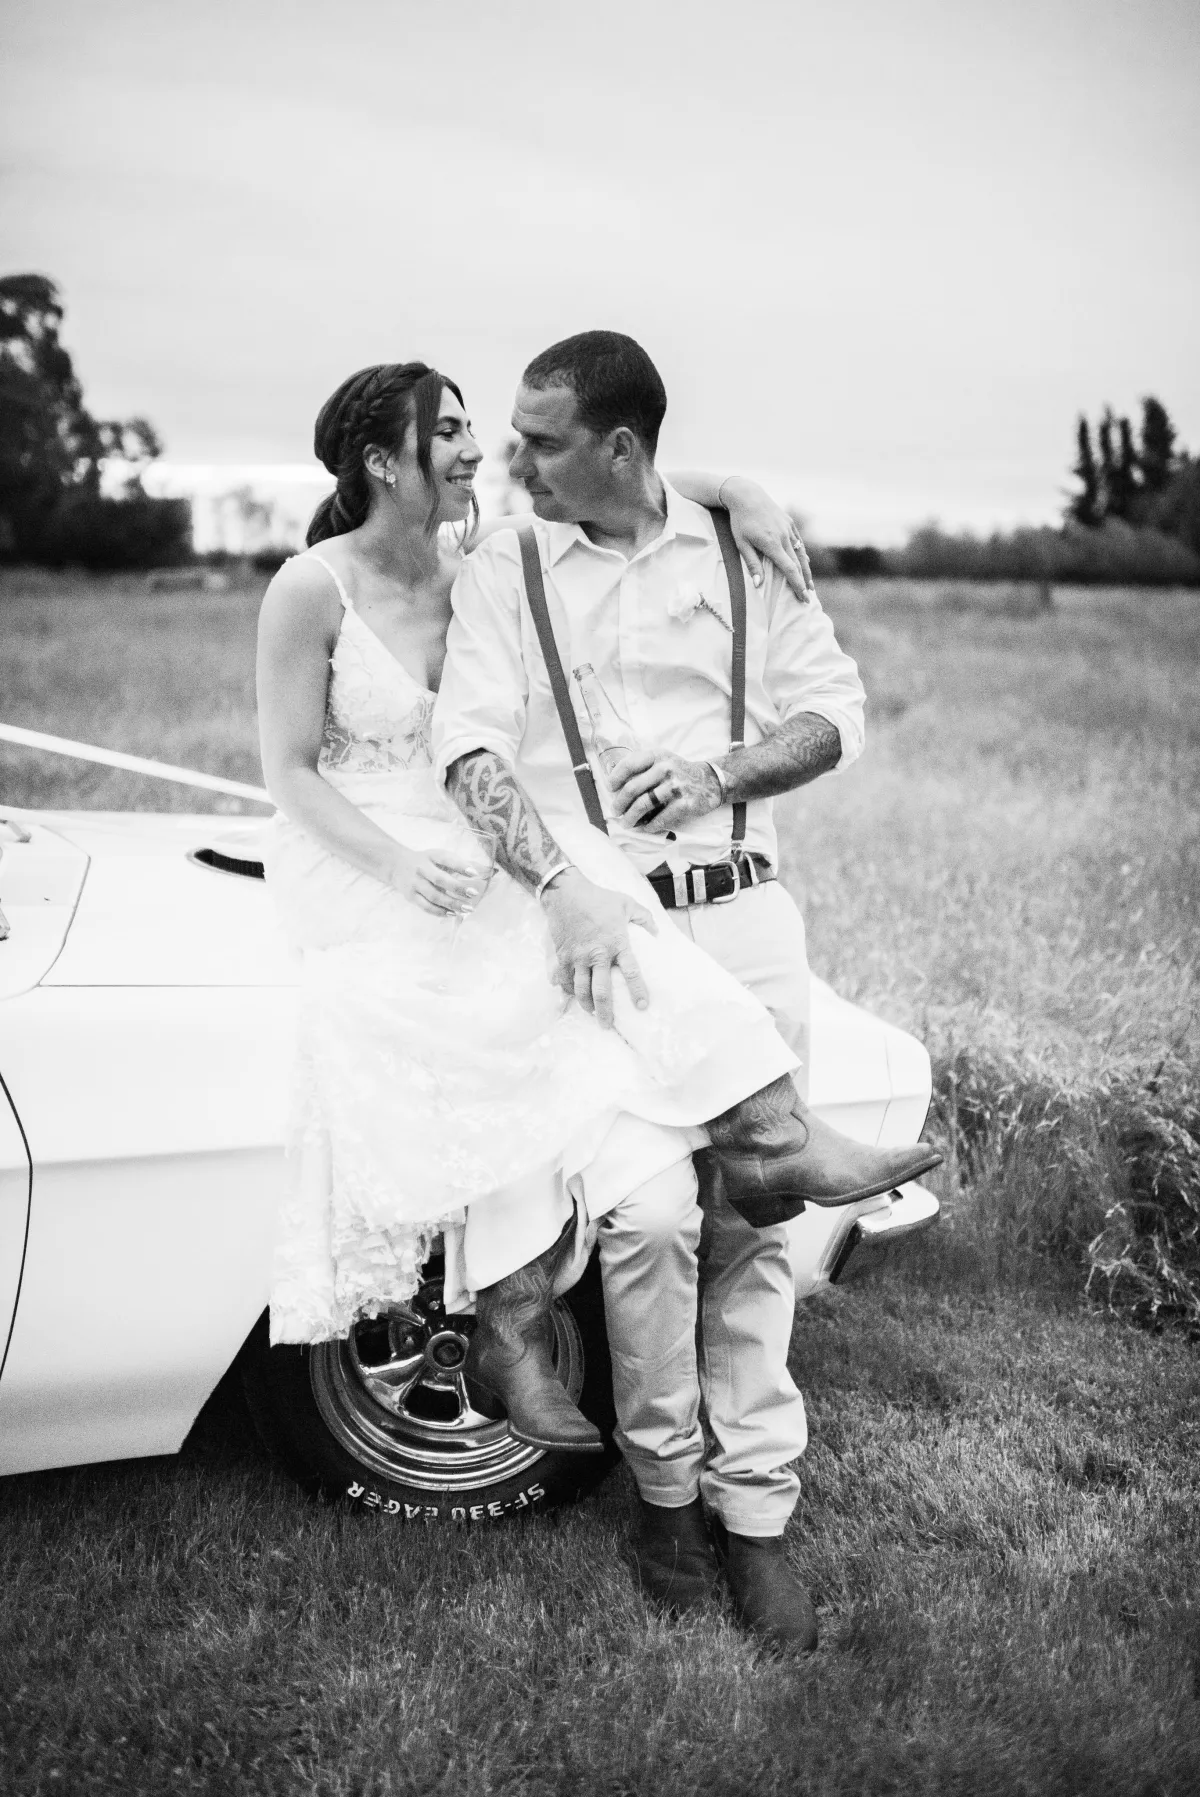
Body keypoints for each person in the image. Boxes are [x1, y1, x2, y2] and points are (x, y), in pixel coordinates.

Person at [257, 361, 935, 1497]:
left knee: (590, 948)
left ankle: (763, 1141)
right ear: (383, 460)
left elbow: (616, 479)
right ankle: (530, 1304)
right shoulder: (308, 588)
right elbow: (287, 771)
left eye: (495, 435)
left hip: (471, 838)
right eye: (457, 436)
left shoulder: (479, 551)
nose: (487, 456)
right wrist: (401, 866)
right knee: (529, 994)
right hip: (365, 851)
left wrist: (733, 489)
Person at [432, 330, 936, 1652]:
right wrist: (555, 886)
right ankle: (663, 1495)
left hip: (747, 918)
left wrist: (720, 775)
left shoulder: (739, 546)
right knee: (652, 1223)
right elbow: (469, 743)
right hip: (600, 933)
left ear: (621, 447)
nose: (514, 460)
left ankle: (755, 1518)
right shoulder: (503, 558)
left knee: (757, 1233)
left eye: (541, 440)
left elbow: (839, 712)